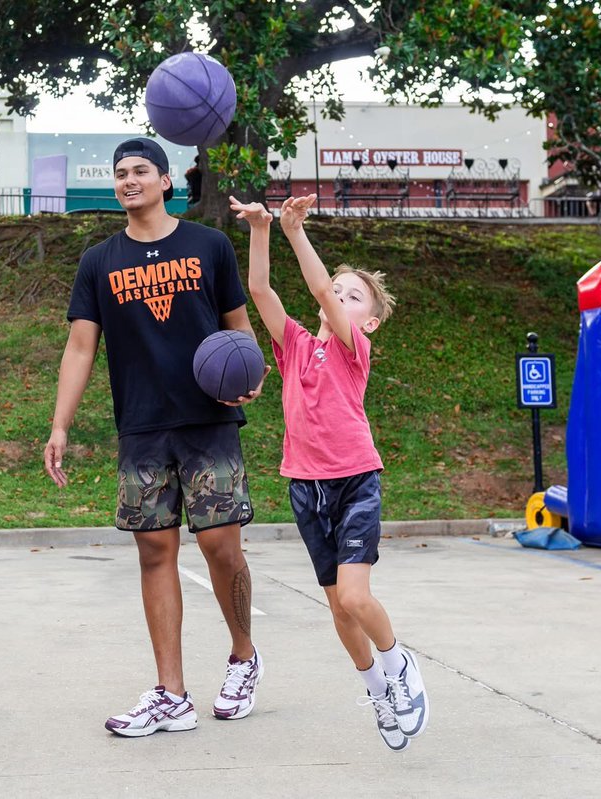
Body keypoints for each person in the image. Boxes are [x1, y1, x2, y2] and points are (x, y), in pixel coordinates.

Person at [44, 137, 266, 737]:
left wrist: (252, 379)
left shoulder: (208, 245)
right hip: (141, 425)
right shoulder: (99, 261)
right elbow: (80, 346)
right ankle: (172, 694)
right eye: (120, 173)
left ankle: (244, 656)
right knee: (155, 551)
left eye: (140, 170)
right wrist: (60, 424)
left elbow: (238, 330)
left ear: (166, 181)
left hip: (208, 420)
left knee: (222, 545)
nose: (128, 180)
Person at [230, 192, 427, 751]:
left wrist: (296, 231)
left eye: (353, 295)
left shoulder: (352, 348)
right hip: (305, 486)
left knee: (358, 599)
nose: (338, 296)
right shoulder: (294, 345)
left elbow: (317, 287)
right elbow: (262, 292)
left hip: (355, 479)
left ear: (370, 321)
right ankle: (376, 691)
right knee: (338, 607)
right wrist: (262, 229)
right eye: (338, 290)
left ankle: (398, 663)